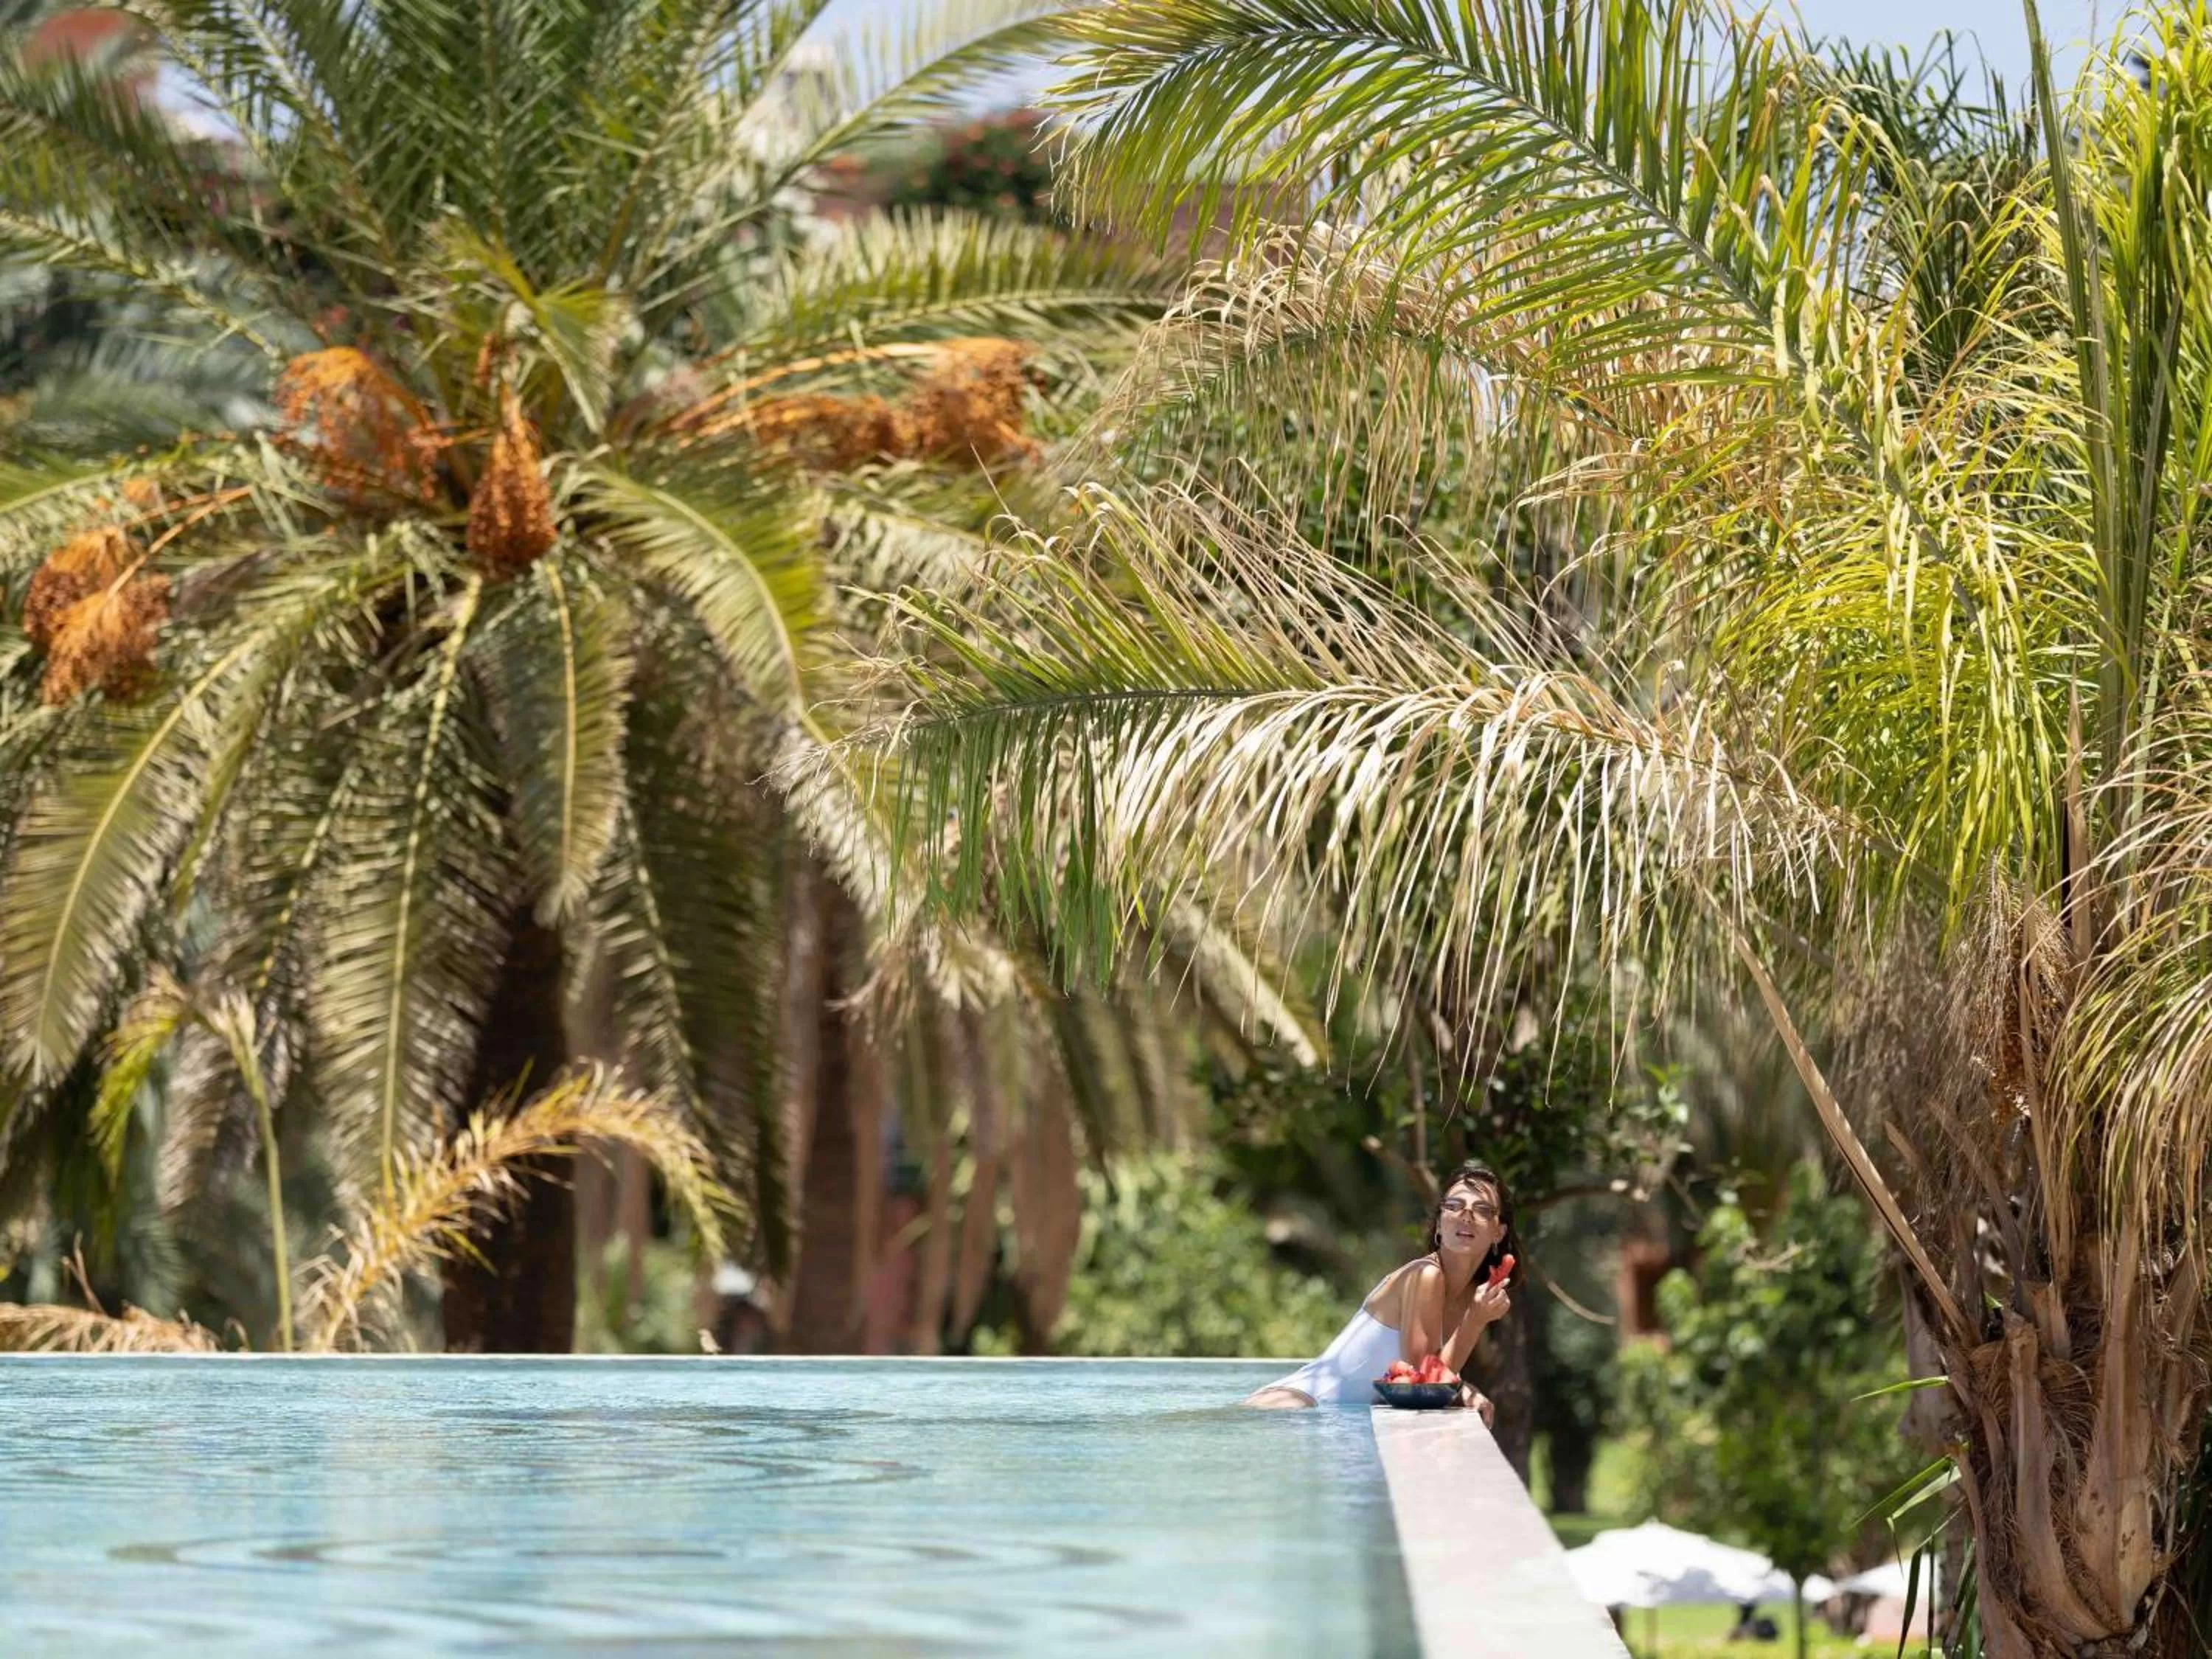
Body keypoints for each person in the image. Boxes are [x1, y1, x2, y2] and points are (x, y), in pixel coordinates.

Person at [1246, 1161, 1517, 1419]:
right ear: (1439, 1223)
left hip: (1326, 1420)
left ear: (1499, 1232)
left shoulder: (1471, 1294)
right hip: (1296, 1406)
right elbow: (1426, 1381)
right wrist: (1476, 1320)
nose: (1466, 1215)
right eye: (1454, 1206)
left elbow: (1430, 1373)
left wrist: (1464, 1389)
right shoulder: (1427, 1275)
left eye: (1482, 1209)